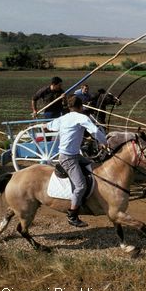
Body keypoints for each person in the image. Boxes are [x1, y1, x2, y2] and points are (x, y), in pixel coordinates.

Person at [44, 95, 107, 227]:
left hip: (73, 155)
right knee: (80, 186)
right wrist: (105, 142)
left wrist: (43, 125)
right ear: (81, 106)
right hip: (68, 159)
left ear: (69, 107)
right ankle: (72, 215)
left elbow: (48, 126)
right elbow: (95, 131)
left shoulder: (63, 118)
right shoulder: (82, 117)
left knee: (93, 167)